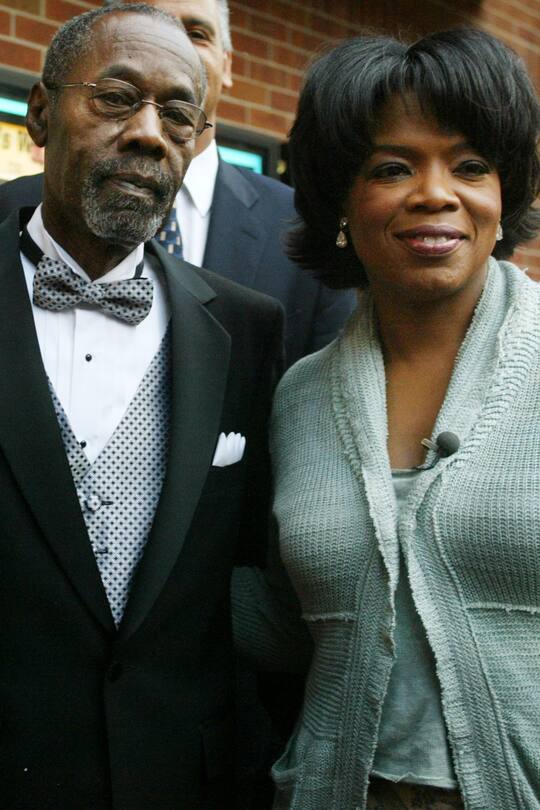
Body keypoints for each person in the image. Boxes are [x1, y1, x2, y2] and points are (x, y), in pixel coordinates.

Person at [233, 28, 540, 810]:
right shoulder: (299, 399)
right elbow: (279, 619)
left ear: (504, 198)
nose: (435, 192)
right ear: (342, 203)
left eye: (470, 165)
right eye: (392, 167)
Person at [0, 4, 284, 809]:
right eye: (117, 98)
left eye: (179, 114)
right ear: (41, 114)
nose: (150, 133)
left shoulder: (245, 329)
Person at [0, 0, 356, 368]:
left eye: (195, 33)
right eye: (116, 97)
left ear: (228, 62)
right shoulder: (7, 207)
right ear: (41, 113)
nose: (165, 41)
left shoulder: (303, 226)